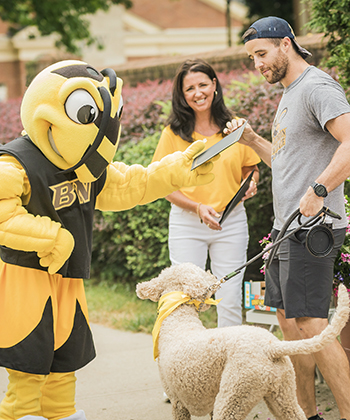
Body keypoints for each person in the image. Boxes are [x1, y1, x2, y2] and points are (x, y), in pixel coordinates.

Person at [0, 60, 215, 420]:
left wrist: (180, 169)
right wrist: (49, 237)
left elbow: (132, 184)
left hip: (68, 279)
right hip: (25, 279)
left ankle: (60, 414)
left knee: (64, 364)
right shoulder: (16, 164)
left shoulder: (83, 163)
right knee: (28, 368)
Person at [225, 16, 350, 420]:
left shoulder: (316, 87)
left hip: (314, 228)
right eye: (252, 58)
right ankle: (305, 415)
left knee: (312, 324)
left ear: (286, 44)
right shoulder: (288, 94)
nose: (257, 64)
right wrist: (252, 139)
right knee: (289, 325)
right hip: (284, 230)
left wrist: (318, 190)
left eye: (261, 54)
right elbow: (284, 162)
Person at [152, 59, 260, 328]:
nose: (197, 93)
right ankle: (188, 361)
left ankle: (230, 361)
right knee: (185, 299)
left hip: (231, 221)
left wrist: (252, 182)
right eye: (190, 88)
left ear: (214, 85)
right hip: (187, 223)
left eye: (203, 84)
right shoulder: (173, 134)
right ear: (182, 94)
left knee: (230, 297)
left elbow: (252, 168)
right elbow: (162, 185)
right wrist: (198, 208)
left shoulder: (234, 127)